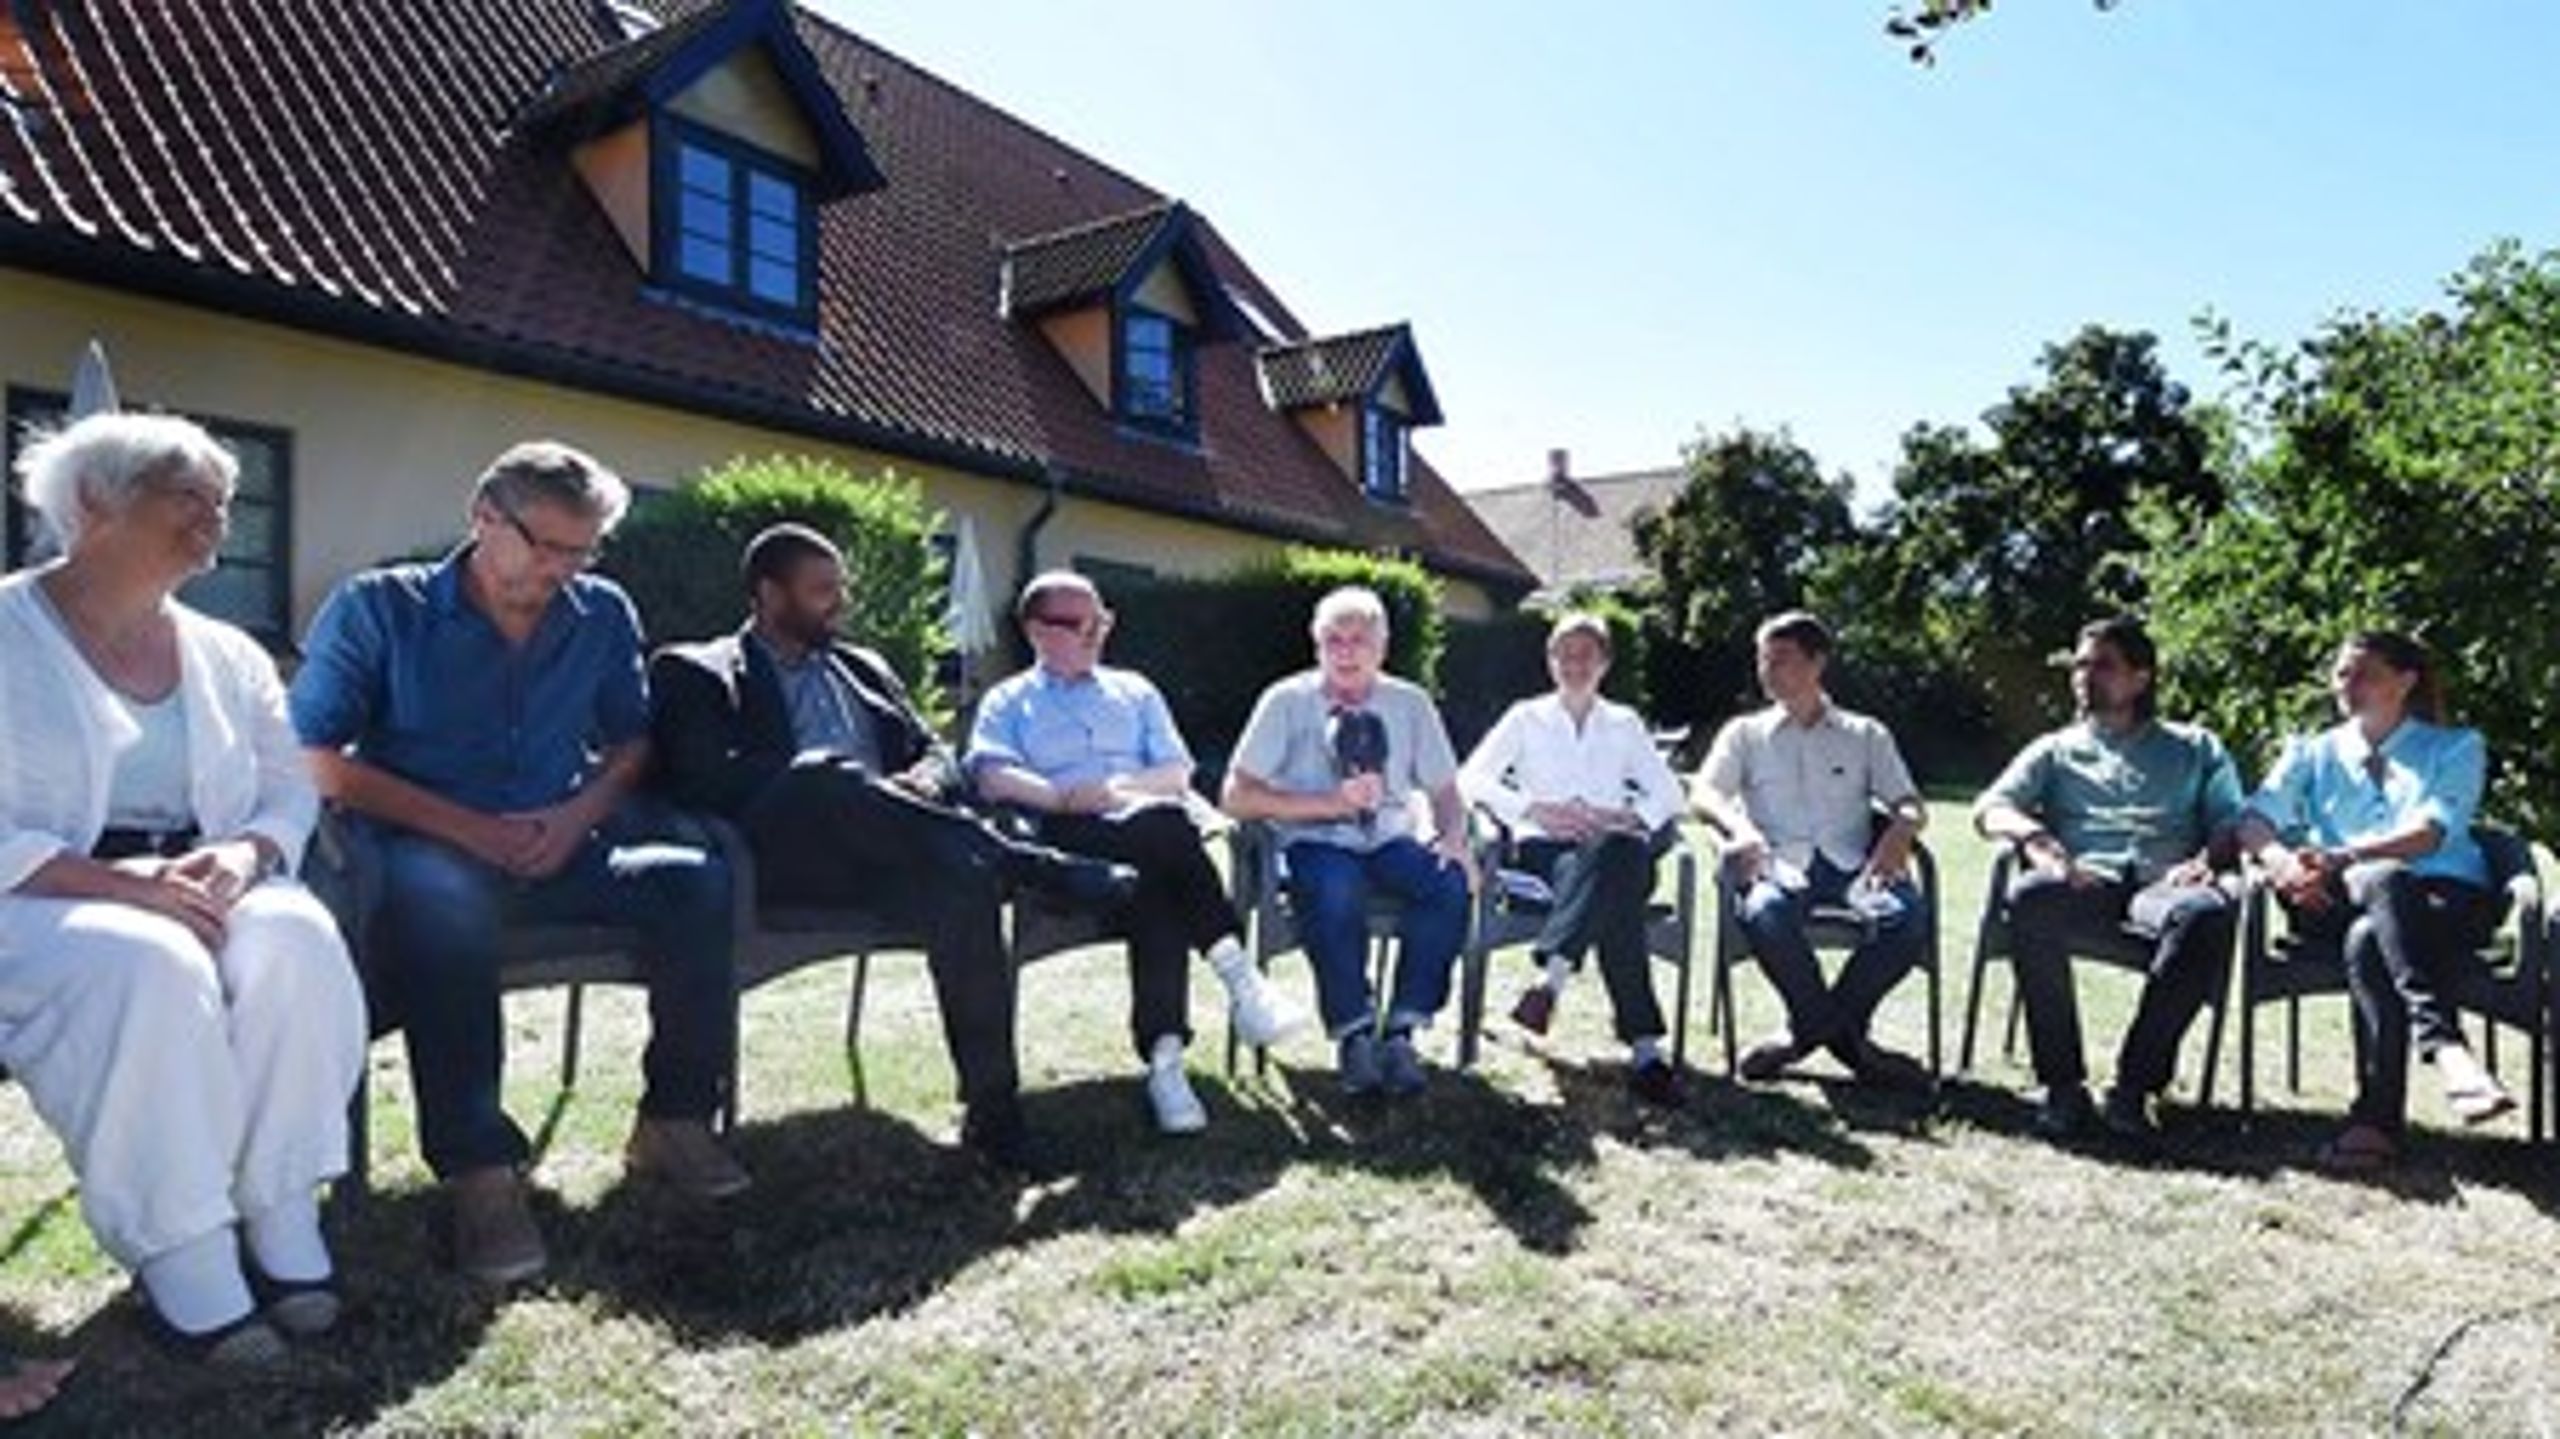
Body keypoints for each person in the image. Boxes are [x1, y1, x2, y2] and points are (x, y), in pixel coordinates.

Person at [291, 441, 744, 1286]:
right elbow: (311, 755)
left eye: (582, 550)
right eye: (544, 545)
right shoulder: (378, 607)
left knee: (696, 878)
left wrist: (576, 816)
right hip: (426, 855)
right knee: (444, 897)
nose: (561, 570)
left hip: (559, 846)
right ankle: (481, 1174)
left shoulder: (601, 611)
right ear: (483, 517)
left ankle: (674, 1117)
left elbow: (630, 742)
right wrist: (464, 826)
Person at [3, 414, 365, 1363]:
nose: (216, 516)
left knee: (296, 937)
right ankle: (186, 1252)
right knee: (148, 962)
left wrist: (246, 854)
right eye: (186, 493)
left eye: (225, 499)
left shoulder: (227, 649)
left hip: (204, 875)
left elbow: (289, 781)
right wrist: (121, 887)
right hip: (36, 895)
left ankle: (282, 1211)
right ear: (93, 502)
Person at [649, 526, 1133, 1171]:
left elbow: (936, 751)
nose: (841, 601)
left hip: (896, 857)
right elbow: (700, 779)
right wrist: (830, 785)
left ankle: (996, 1118)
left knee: (962, 881)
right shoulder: (696, 670)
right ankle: (1023, 863)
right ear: (769, 594)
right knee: (827, 775)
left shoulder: (862, 666)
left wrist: (925, 780)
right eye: (823, 590)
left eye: (841, 586)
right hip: (785, 863)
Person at [967, 571, 1308, 1133]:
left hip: (1143, 825)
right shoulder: (1010, 701)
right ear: (1036, 631)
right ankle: (1238, 985)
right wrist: (1058, 795)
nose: (1095, 634)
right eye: (1079, 624)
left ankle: (1166, 1061)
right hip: (1066, 836)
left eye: (1101, 620)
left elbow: (1177, 771)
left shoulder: (1135, 690)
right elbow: (988, 775)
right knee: (1168, 837)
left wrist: (1121, 791)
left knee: (1159, 870)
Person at [2234, 630, 2508, 1174]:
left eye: (2364, 674)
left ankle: (2374, 1124)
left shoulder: (2456, 748)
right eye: (2341, 674)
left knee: (2371, 927)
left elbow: (2430, 835)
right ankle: (2446, 1047)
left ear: (2405, 682)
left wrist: (2340, 855)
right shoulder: (2311, 751)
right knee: (2374, 893)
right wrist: (2281, 863)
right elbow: (2254, 818)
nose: (2348, 685)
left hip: (2441, 899)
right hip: (2329, 901)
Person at [1974, 615, 2245, 1143]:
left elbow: (2233, 819)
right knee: (2030, 897)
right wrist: (2035, 840)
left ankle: (2134, 1087)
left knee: (2207, 914)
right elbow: (1990, 807)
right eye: (2079, 665)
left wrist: (2210, 859)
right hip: (2085, 879)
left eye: (2102, 666)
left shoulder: (2195, 747)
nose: (2084, 677)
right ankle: (2062, 1084)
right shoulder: (2056, 748)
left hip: (2164, 882)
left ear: (2141, 677)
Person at [1221, 586, 1474, 1096]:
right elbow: (1235, 796)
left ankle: (1403, 1030)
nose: (1346, 651)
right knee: (1335, 886)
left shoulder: (1410, 703)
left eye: (1359, 640)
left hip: (1389, 837)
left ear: (1381, 648)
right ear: (1317, 647)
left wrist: (1453, 838)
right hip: (1313, 841)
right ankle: (1354, 1034)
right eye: (1333, 640)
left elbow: (1445, 788)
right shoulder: (1286, 700)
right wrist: (1328, 805)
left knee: (1448, 883)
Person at [1691, 611, 1934, 1091]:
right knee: (1763, 910)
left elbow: (1908, 801)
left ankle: (1806, 1033)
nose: (1768, 670)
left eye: (1781, 659)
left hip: (1852, 866)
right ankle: (1845, 1040)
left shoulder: (1865, 734)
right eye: (1763, 659)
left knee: (1908, 918)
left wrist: (1901, 829)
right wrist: (1739, 829)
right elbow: (1704, 794)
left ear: (1817, 663)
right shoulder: (1745, 734)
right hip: (1778, 863)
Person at [1458, 612, 1687, 1105]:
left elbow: (1669, 795)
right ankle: (1646, 1050)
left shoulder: (1624, 723)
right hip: (1547, 850)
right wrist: (1534, 808)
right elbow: (1470, 779)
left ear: (1604, 662)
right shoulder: (1526, 717)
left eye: (1586, 654)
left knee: (1618, 853)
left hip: (1617, 847)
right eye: (1564, 653)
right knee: (1616, 898)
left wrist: (1627, 817)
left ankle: (1550, 980)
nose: (1574, 663)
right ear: (1550, 660)